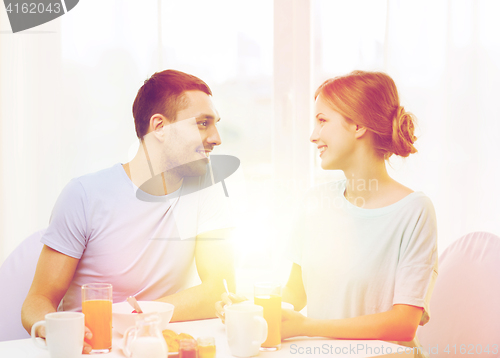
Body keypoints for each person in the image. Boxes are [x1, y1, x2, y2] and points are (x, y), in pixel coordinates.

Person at [216, 71, 437, 358]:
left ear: (358, 125)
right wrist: (249, 307)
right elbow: (296, 294)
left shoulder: (414, 211)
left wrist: (307, 326)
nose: (313, 136)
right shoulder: (316, 201)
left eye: (322, 121)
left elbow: (403, 324)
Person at [22, 70, 235, 354]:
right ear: (159, 126)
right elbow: (38, 299)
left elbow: (219, 289)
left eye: (214, 124)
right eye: (202, 124)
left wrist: (137, 316)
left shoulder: (206, 192)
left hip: (159, 348)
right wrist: (54, 329)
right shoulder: (84, 195)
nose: (216, 138)